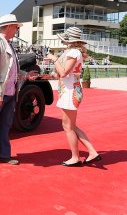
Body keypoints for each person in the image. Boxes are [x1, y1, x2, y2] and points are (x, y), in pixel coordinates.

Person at [0, 14, 37, 169]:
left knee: (5, 125)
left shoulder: (7, 43)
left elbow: (10, 70)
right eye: (16, 27)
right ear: (9, 26)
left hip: (10, 91)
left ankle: (3, 154)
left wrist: (25, 75)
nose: (17, 30)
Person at [45, 27, 101, 167]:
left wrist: (54, 59)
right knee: (71, 126)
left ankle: (75, 157)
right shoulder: (72, 52)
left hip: (71, 92)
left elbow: (63, 73)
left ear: (69, 40)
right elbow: (61, 74)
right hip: (69, 90)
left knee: (67, 126)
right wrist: (46, 75)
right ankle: (92, 152)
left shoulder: (73, 52)